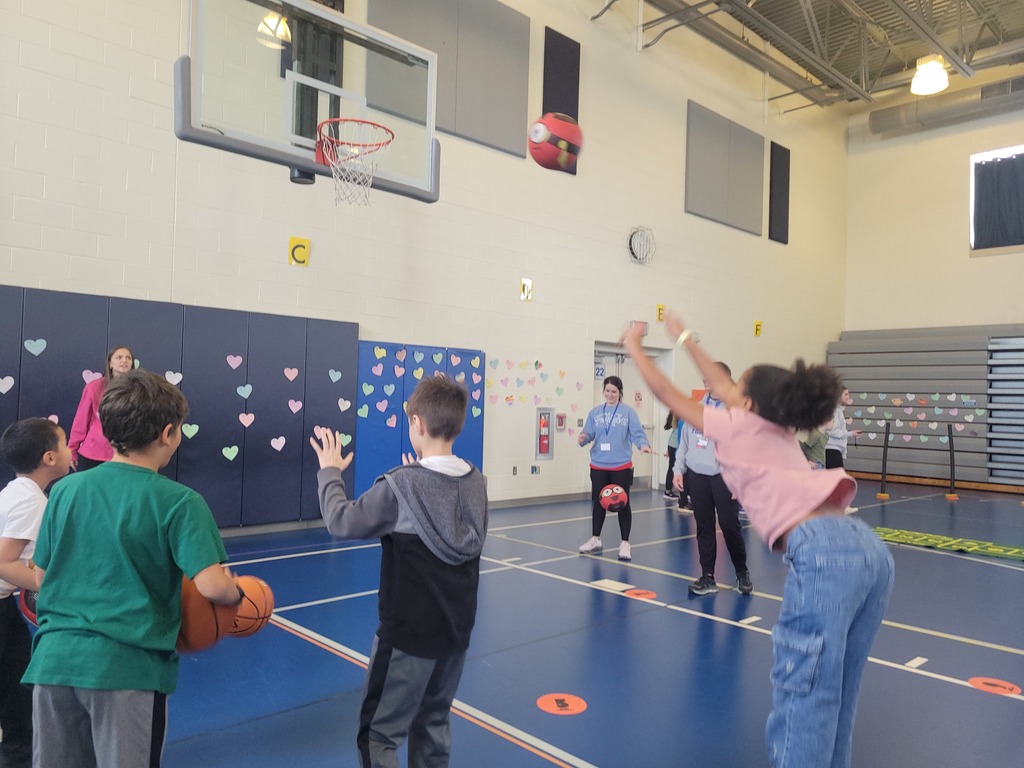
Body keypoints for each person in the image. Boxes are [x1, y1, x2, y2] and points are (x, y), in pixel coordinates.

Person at [622, 313, 894, 768]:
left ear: (746, 403)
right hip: (868, 550)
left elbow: (668, 394)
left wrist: (634, 345)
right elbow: (721, 382)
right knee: (838, 694)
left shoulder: (735, 425)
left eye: (734, 389)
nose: (722, 391)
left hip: (824, 552)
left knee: (804, 697)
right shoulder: (777, 424)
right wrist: (685, 337)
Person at [23, 370, 243, 768]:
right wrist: (239, 593)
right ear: (168, 433)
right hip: (128, 670)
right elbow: (212, 586)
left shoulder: (65, 490)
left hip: (54, 662)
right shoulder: (181, 501)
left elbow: (41, 577)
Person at [310, 376, 488, 768]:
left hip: (407, 639)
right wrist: (418, 479)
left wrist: (329, 471)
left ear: (418, 425)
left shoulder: (401, 486)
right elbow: (441, 503)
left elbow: (342, 520)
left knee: (377, 737)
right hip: (455, 636)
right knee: (434, 724)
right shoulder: (477, 483)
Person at [0, 418, 73, 768]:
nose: (70, 449)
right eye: (64, 443)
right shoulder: (32, 502)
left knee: (17, 687)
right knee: (15, 689)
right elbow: (2, 562)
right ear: (49, 458)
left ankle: (20, 754)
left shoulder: (18, 492)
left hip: (3, 608)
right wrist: (53, 584)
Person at [672, 365, 752, 596]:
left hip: (724, 477)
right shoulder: (695, 409)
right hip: (697, 476)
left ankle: (741, 572)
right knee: (704, 527)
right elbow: (684, 443)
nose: (705, 379)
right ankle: (708, 576)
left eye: (711, 376)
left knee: (729, 526)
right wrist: (679, 470)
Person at [577, 375, 654, 561]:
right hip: (598, 465)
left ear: (620, 393)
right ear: (603, 391)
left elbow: (637, 434)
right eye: (607, 391)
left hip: (621, 466)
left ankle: (625, 543)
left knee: (623, 503)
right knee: (598, 502)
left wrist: (643, 445)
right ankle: (595, 539)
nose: (610, 394)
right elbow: (588, 434)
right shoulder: (595, 413)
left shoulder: (628, 412)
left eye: (614, 391)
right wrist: (582, 438)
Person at [68, 345, 135, 470]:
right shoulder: (93, 388)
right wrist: (72, 450)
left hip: (125, 456)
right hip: (93, 454)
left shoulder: (137, 390)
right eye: (119, 357)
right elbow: (80, 421)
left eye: (128, 358)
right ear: (110, 363)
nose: (124, 361)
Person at [825, 388, 862, 513]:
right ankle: (841, 506)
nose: (848, 396)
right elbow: (833, 430)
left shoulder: (839, 411)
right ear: (838, 396)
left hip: (836, 449)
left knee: (835, 480)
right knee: (839, 479)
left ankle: (836, 506)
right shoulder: (836, 412)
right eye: (845, 394)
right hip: (832, 449)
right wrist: (851, 433)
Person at [663, 412, 679, 500]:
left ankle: (668, 490)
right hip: (676, 446)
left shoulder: (675, 415)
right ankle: (668, 491)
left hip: (672, 445)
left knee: (671, 467)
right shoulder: (680, 416)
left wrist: (668, 450)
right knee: (673, 468)